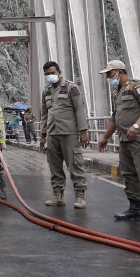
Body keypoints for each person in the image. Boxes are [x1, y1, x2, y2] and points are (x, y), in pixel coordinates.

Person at [96, 60, 140, 225]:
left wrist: (136, 125)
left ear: (119, 72)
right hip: (124, 139)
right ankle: (135, 210)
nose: (107, 77)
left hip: (138, 138)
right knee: (129, 174)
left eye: (109, 73)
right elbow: (115, 118)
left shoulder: (136, 86)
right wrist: (105, 137)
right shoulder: (117, 92)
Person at [39, 61, 89, 209]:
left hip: (69, 133)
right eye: (47, 74)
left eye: (52, 72)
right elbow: (44, 114)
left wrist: (83, 131)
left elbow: (79, 109)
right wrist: (42, 135)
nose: (50, 76)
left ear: (59, 72)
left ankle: (80, 196)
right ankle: (57, 195)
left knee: (75, 165)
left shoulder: (70, 87)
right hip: (53, 134)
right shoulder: (46, 91)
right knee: (55, 167)